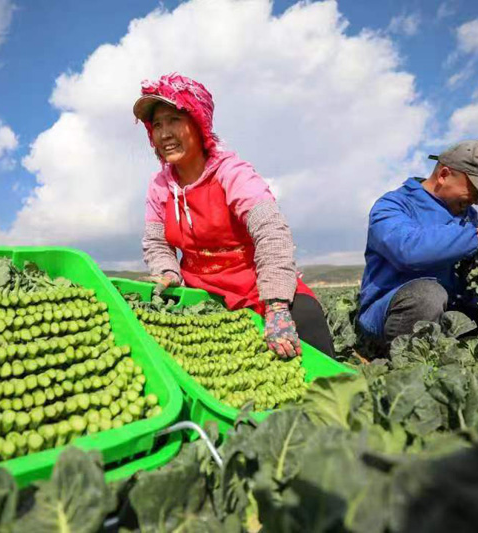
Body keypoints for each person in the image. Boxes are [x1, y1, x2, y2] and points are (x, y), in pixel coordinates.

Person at [133, 72, 335, 359]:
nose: (164, 134)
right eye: (157, 125)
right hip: (200, 295)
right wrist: (168, 271)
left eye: (175, 120)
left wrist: (277, 305)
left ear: (199, 123)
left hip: (256, 288)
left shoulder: (232, 173)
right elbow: (156, 242)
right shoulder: (160, 187)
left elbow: (271, 231)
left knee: (306, 318)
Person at [358, 139, 478, 345]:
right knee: (427, 295)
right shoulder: (392, 206)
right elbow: (408, 250)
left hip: (447, 312)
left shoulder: (466, 214)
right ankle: (404, 358)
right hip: (386, 315)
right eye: (475, 191)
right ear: (443, 175)